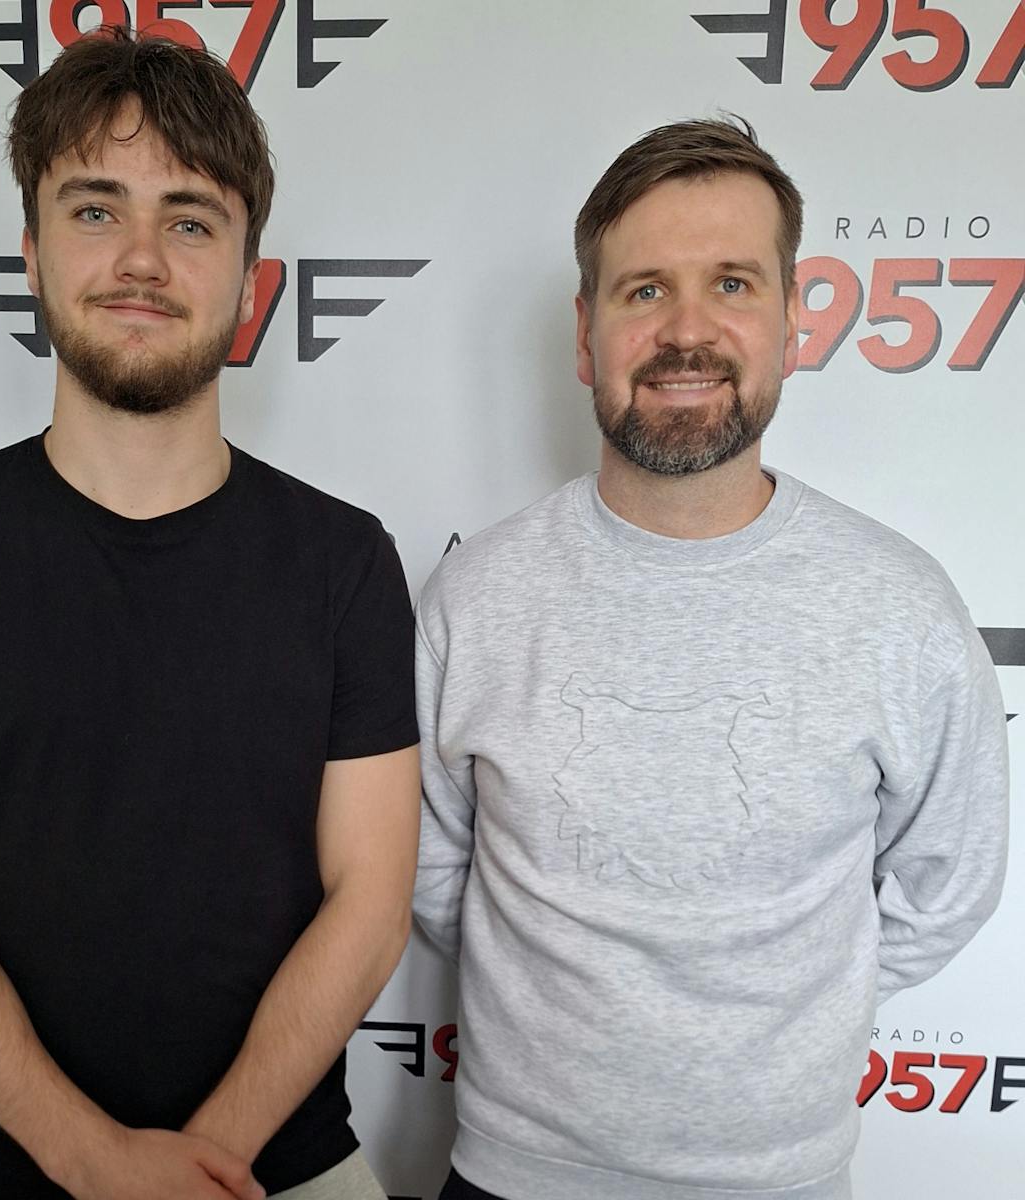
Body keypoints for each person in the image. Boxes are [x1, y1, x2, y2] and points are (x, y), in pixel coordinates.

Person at [0, 28, 420, 1200]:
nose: (141, 259)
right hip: (11, 1170)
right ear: (33, 253)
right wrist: (95, 1161)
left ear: (249, 282)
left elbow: (370, 903)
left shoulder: (344, 561)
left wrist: (204, 1167)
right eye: (96, 210)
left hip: (284, 1171)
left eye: (190, 221)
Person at [412, 118, 1009, 1200]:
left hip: (781, 1181)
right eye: (644, 290)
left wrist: (799, 1008)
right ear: (586, 335)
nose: (686, 332)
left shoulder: (900, 607)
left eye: (732, 284)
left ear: (792, 321)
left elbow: (947, 882)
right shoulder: (476, 595)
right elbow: (429, 865)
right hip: (510, 1174)